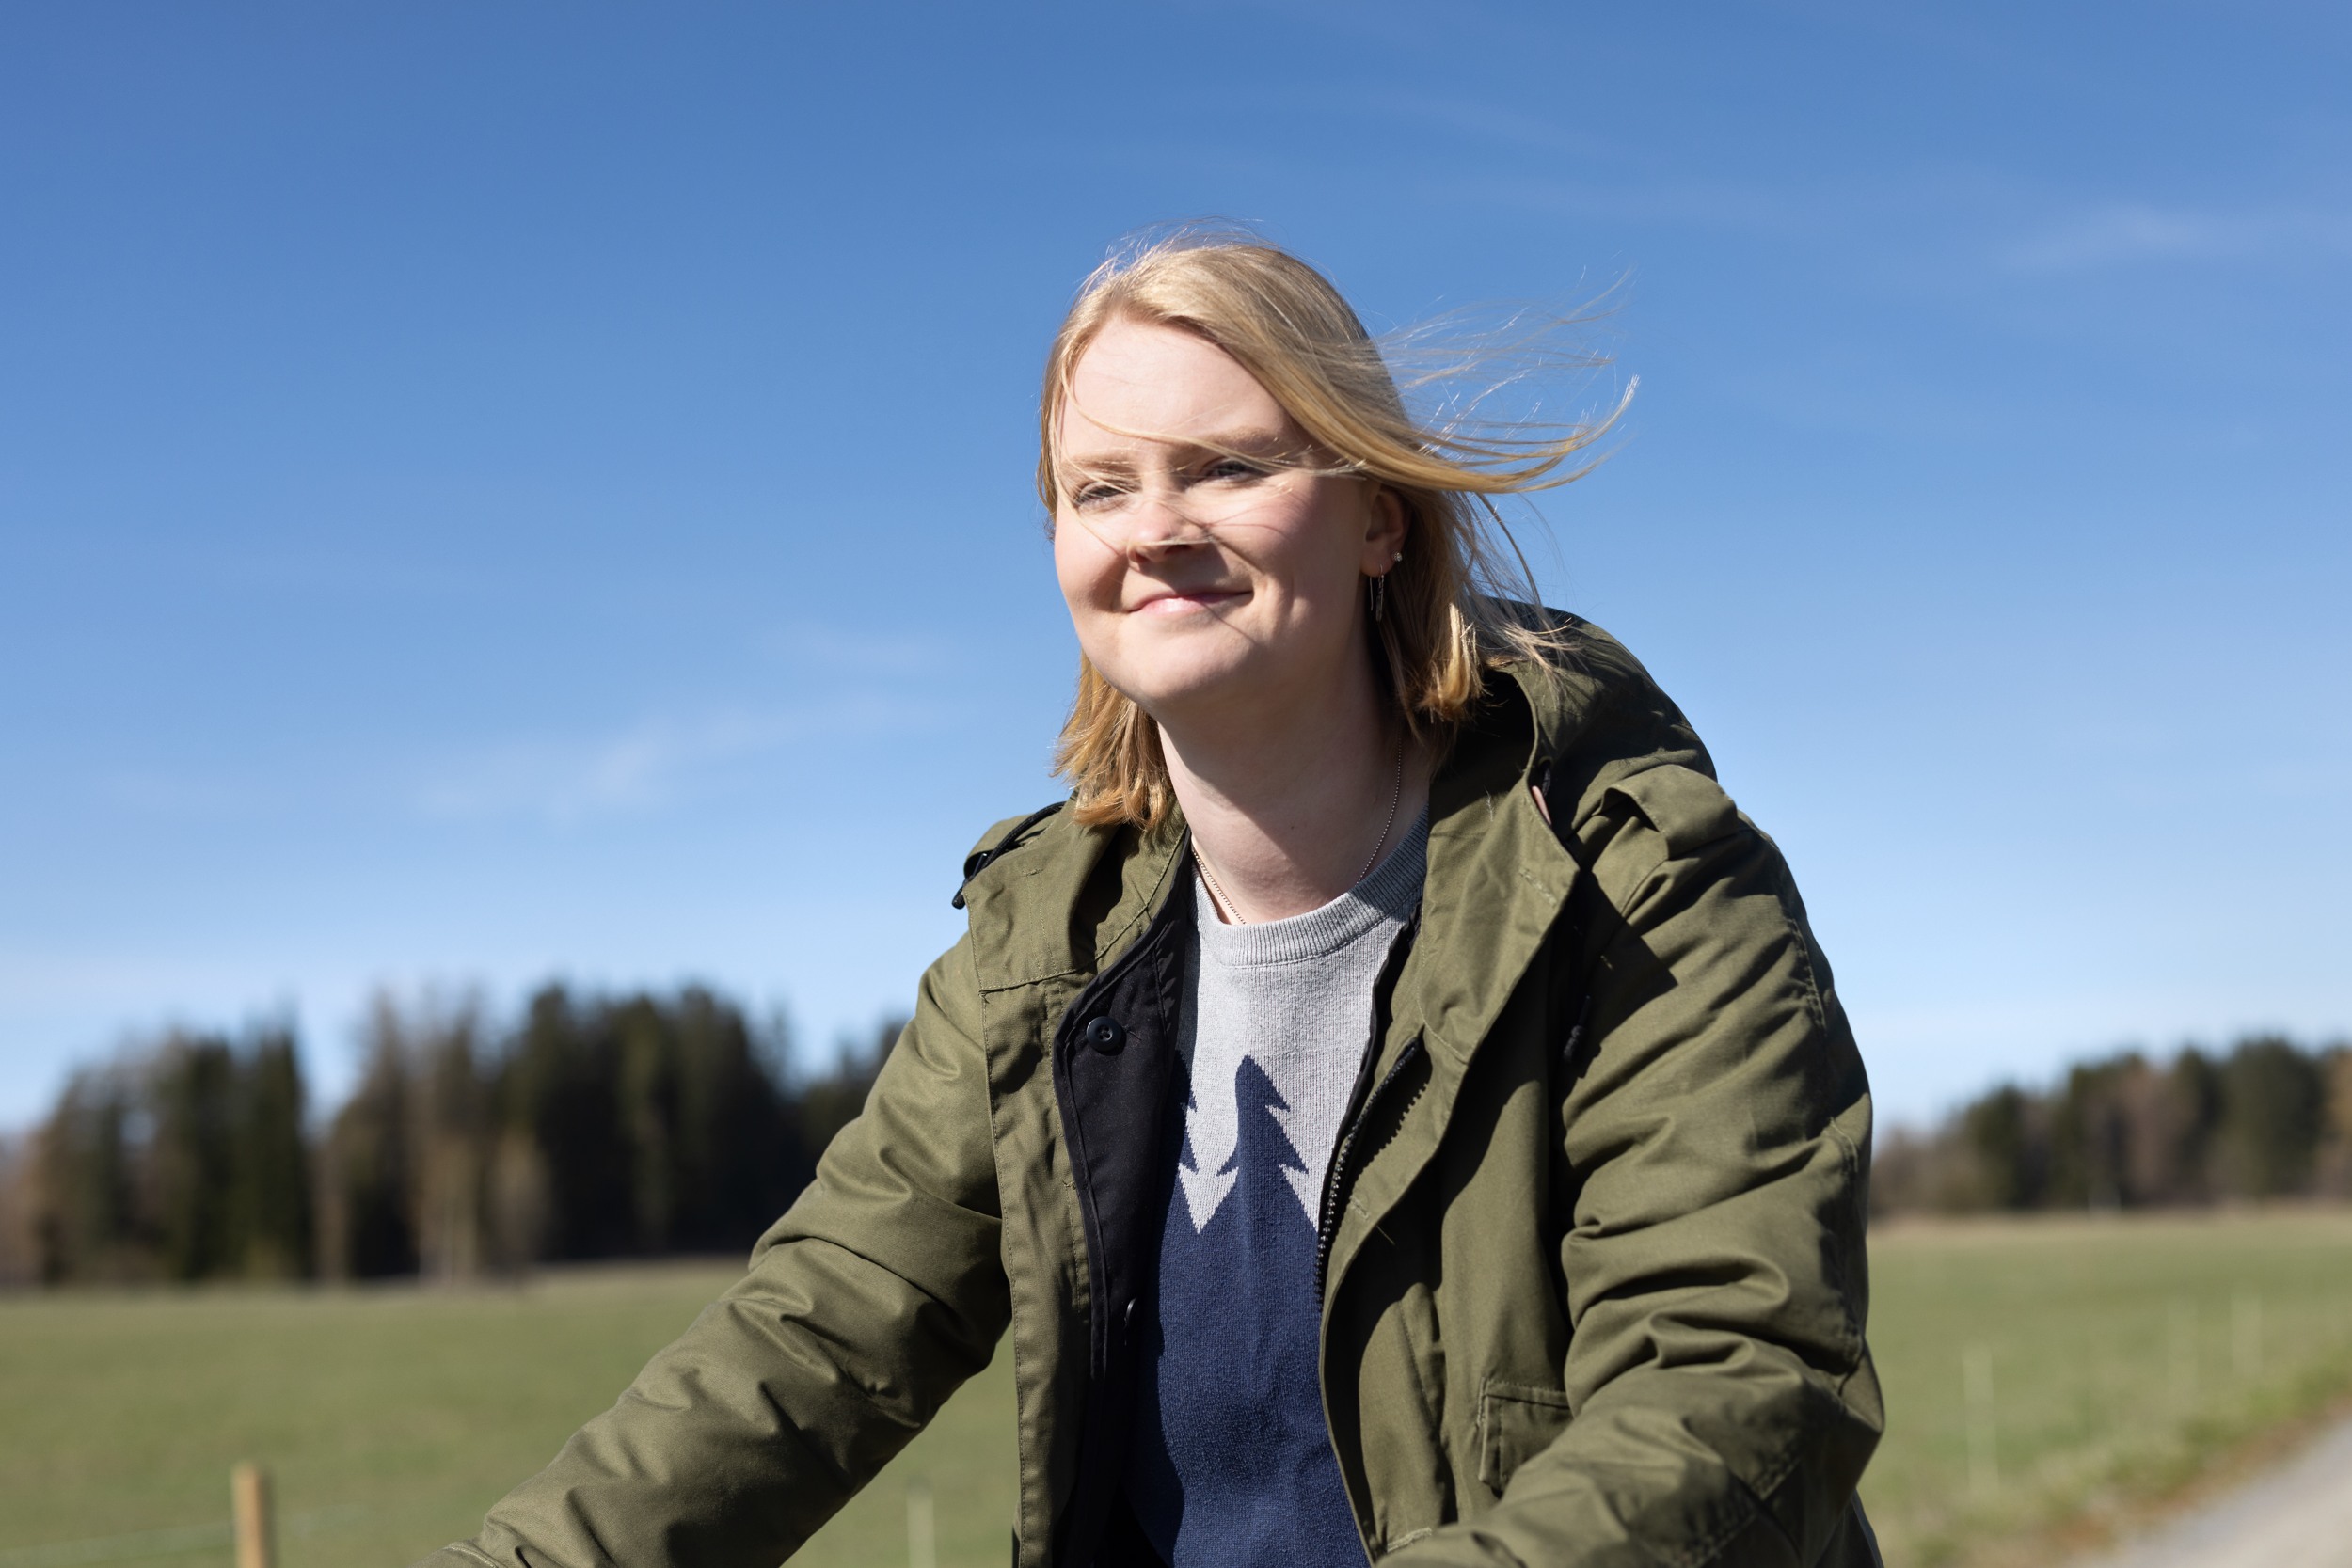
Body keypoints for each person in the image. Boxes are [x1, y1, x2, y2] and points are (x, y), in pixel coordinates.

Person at [420, 232, 1883, 1568]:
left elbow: (1737, 1381)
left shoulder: (1636, 879)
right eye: (1099, 489)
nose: (1152, 530)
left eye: (1227, 469)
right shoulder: (1042, 945)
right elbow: (811, 1336)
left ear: (1378, 519)